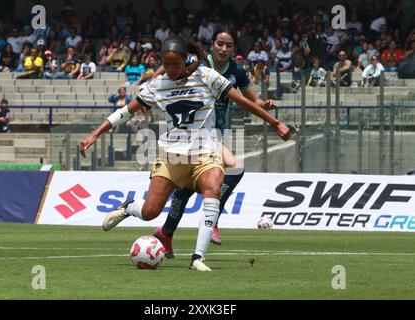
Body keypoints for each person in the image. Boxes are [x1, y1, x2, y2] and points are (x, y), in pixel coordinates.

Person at [79, 37, 290, 271]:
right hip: (172, 155)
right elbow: (125, 112)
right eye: (165, 65)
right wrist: (94, 134)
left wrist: (275, 123)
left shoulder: (206, 76)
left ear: (185, 61)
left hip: (206, 151)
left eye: (174, 65)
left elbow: (242, 101)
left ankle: (197, 258)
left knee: (213, 190)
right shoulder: (157, 85)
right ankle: (129, 207)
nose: (170, 70)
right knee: (150, 212)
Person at [149, 30, 284, 257]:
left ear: (233, 49)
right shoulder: (199, 63)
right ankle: (212, 217)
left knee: (187, 189)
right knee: (234, 168)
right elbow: (170, 65)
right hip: (191, 134)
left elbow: (254, 100)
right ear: (212, 45)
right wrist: (153, 82)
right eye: (219, 44)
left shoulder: (236, 71)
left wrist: (265, 105)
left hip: (213, 134)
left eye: (228, 45)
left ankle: (167, 232)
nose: (223, 48)